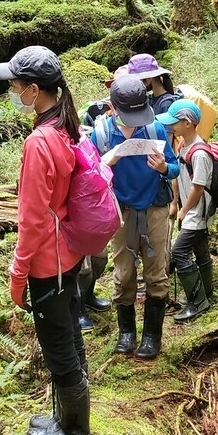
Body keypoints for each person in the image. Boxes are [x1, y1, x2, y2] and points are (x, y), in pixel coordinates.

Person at [0, 45, 91, 435]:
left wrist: (17, 274)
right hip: (69, 255)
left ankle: (76, 434)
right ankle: (68, 419)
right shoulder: (67, 128)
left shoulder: (39, 143)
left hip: (48, 263)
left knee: (57, 345)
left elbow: (30, 221)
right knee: (69, 334)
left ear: (33, 90)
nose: (11, 90)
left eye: (14, 84)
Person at [92, 74, 179, 361]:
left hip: (154, 206)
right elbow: (90, 177)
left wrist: (164, 167)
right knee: (124, 271)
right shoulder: (102, 134)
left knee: (156, 271)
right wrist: (109, 161)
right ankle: (126, 332)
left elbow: (176, 168)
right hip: (121, 211)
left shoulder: (154, 129)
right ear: (113, 107)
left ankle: (152, 336)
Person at [77, 65, 128, 331]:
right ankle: (77, 308)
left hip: (104, 198)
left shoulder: (135, 113)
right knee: (82, 264)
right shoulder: (95, 113)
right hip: (85, 200)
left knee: (100, 258)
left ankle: (89, 295)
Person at [159, 98, 212, 323]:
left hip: (197, 213)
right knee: (200, 250)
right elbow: (178, 177)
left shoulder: (200, 153)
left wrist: (184, 211)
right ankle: (206, 292)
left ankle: (198, 301)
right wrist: (174, 203)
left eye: (175, 122)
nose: (171, 126)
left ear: (188, 123)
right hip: (188, 211)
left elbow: (198, 188)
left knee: (179, 253)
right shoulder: (182, 146)